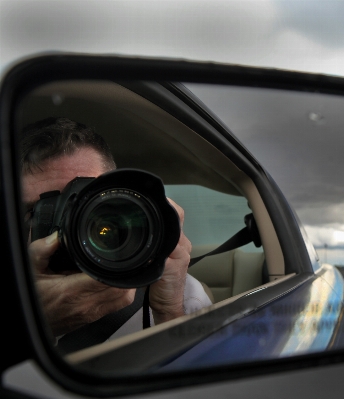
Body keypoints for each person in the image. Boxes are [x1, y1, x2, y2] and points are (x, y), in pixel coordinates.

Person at [21, 117, 212, 345]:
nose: (67, 224)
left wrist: (169, 312)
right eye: (41, 211)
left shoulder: (180, 292)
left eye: (83, 202)